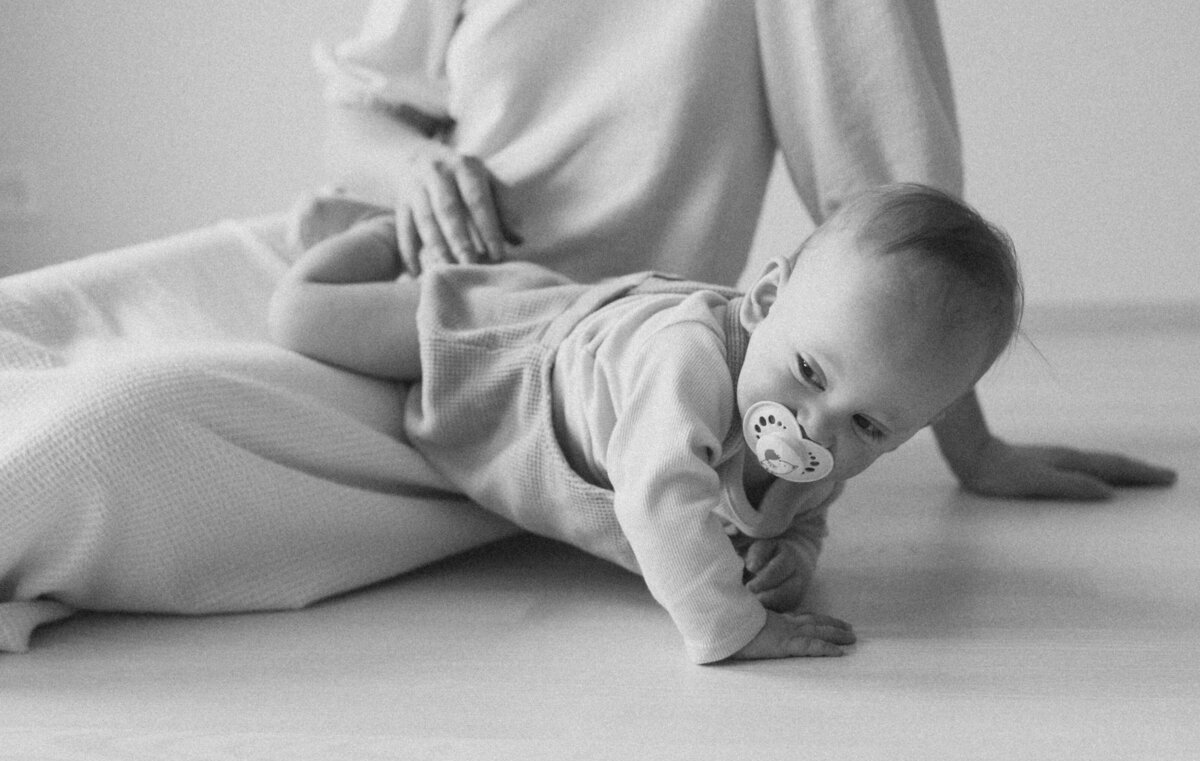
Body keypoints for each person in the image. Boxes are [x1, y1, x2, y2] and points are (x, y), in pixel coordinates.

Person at [317, 0, 1174, 502]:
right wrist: (416, 165)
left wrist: (970, 447)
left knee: (181, 412)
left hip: (582, 370)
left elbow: (888, 212)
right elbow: (360, 113)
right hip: (381, 269)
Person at [268, 183, 1022, 663]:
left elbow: (800, 511)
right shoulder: (684, 366)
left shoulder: (825, 439)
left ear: (908, 430)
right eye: (809, 374)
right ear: (762, 304)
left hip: (596, 342)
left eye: (869, 426)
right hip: (512, 350)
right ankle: (377, 231)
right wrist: (733, 627)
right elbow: (658, 501)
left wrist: (792, 554)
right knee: (302, 319)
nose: (814, 428)